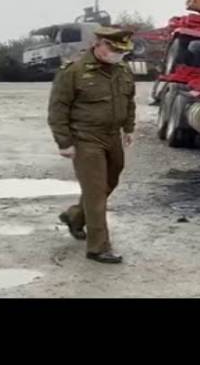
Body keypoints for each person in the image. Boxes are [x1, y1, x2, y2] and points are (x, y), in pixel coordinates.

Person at [47, 26, 137, 264]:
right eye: (114, 49)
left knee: (110, 182)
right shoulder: (73, 71)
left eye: (122, 51)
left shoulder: (123, 70)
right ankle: (98, 247)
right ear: (99, 44)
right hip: (85, 137)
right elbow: (58, 109)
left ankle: (75, 217)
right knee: (96, 192)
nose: (118, 55)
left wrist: (128, 128)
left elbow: (129, 100)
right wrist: (64, 142)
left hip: (112, 136)